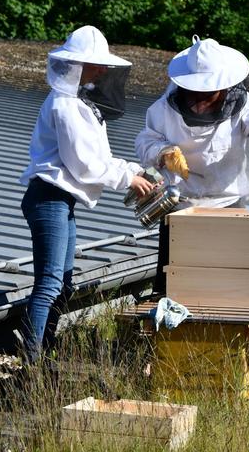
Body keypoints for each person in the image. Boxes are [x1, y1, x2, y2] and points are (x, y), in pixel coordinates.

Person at [18, 25, 154, 363]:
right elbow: (84, 165)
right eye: (97, 64)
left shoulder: (78, 103)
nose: (104, 70)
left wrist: (134, 171)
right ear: (79, 64)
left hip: (60, 201)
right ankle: (32, 364)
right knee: (50, 284)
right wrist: (128, 179)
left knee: (62, 284)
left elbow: (100, 158)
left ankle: (43, 353)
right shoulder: (64, 105)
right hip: (48, 199)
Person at [135, 35, 249, 293]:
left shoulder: (245, 106)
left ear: (224, 86)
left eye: (207, 93)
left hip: (232, 204)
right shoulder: (163, 109)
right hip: (181, 206)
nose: (200, 100)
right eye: (194, 92)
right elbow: (144, 142)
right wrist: (163, 152)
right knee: (173, 283)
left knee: (233, 285)